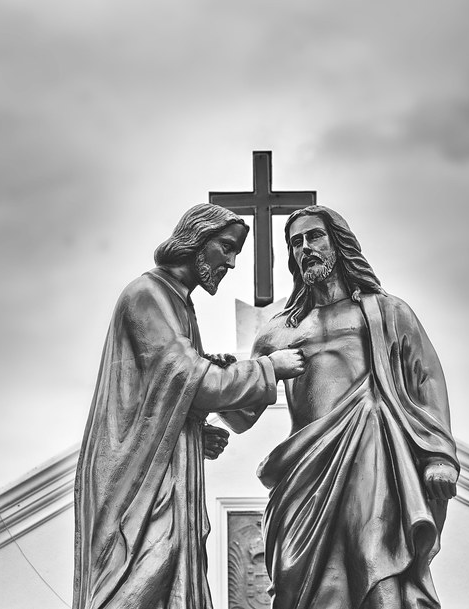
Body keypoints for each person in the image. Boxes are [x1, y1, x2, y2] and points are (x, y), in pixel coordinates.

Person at [224, 205, 458, 609]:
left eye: (315, 236)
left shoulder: (386, 313)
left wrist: (440, 455)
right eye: (296, 242)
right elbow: (241, 416)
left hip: (374, 460)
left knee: (376, 557)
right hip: (304, 477)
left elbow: (427, 379)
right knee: (304, 589)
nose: (305, 248)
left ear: (339, 242)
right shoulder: (278, 333)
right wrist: (211, 384)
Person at [73, 203, 305, 609]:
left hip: (163, 472)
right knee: (146, 570)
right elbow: (188, 378)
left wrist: (195, 430)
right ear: (197, 241)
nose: (231, 263)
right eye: (227, 248)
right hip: (137, 481)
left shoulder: (179, 304)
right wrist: (269, 368)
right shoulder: (147, 294)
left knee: (168, 573)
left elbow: (166, 392)